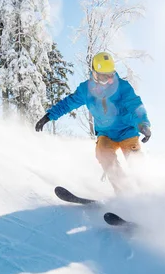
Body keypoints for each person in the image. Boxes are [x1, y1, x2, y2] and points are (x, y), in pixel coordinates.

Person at [35, 52, 151, 192]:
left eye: (110, 75)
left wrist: (143, 124)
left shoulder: (122, 87)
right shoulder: (86, 90)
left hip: (127, 131)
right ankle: (124, 191)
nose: (108, 80)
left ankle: (147, 192)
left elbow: (135, 105)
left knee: (135, 161)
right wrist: (49, 116)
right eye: (103, 76)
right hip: (106, 134)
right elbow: (68, 103)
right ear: (94, 73)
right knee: (102, 152)